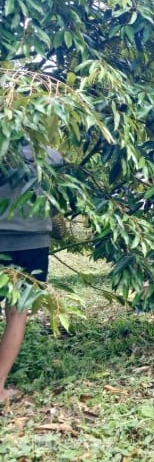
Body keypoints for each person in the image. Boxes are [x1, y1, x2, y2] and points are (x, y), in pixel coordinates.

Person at [0, 145, 62, 404]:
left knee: (18, 313)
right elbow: (58, 159)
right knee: (18, 313)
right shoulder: (39, 152)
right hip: (32, 241)